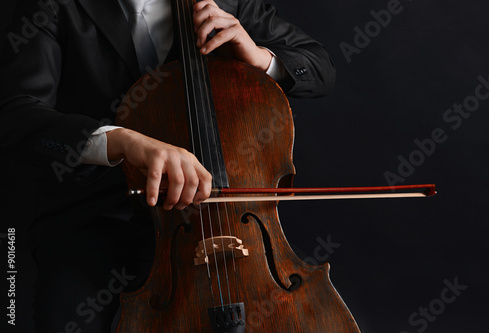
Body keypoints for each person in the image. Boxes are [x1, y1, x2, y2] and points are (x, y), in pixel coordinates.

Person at [0, 0, 335, 331]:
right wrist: (122, 142)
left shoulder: (226, 2)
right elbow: (15, 113)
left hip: (218, 220)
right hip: (93, 219)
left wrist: (257, 56)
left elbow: (319, 67)